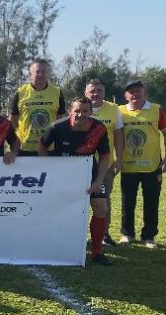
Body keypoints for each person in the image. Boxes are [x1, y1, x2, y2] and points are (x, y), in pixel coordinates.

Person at [39, 97, 112, 265]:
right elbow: (42, 147)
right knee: (58, 210)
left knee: (101, 207)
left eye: (85, 111)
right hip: (63, 176)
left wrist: (98, 180)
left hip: (90, 173)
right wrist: (50, 170)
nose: (81, 114)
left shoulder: (99, 128)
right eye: (77, 110)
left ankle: (97, 253)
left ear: (91, 112)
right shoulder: (57, 127)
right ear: (70, 111)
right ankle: (54, 245)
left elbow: (104, 156)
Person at [118, 80, 166, 248]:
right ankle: (127, 234)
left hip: (152, 166)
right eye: (131, 91)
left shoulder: (156, 109)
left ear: (144, 93)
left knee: (151, 202)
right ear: (125, 95)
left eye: (138, 90)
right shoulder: (119, 111)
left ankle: (148, 237)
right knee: (128, 202)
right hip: (128, 165)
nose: (135, 94)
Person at [85, 78, 124, 246]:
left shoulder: (114, 109)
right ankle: (77, 233)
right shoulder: (80, 108)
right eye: (92, 91)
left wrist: (119, 159)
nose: (95, 94)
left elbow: (119, 136)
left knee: (104, 201)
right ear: (86, 93)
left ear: (104, 92)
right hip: (80, 166)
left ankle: (103, 234)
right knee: (78, 200)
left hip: (104, 166)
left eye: (99, 90)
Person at [10, 58, 66, 155]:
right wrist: (19, 137)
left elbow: (61, 118)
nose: (40, 74)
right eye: (37, 71)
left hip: (49, 147)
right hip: (25, 148)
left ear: (48, 74)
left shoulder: (57, 92)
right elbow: (13, 119)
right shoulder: (20, 92)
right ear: (30, 74)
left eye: (44, 71)